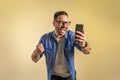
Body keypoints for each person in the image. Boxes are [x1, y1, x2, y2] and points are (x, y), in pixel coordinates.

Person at [31, 11, 91, 80]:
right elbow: (34, 59)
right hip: (53, 76)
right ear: (54, 23)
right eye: (61, 22)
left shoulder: (72, 36)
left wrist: (84, 44)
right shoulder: (45, 38)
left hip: (69, 76)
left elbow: (87, 51)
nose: (64, 26)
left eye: (67, 23)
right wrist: (38, 52)